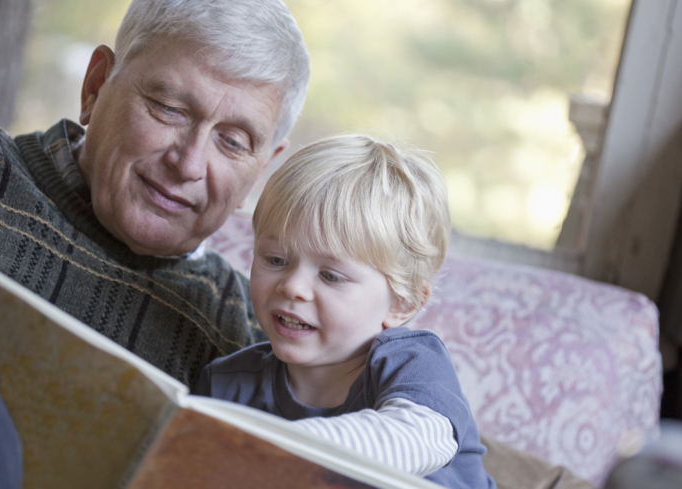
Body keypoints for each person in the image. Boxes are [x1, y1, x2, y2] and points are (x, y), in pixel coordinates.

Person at [0, 0, 308, 486]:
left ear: (265, 169)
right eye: (169, 109)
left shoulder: (254, 332)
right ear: (95, 86)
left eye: (233, 142)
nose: (189, 164)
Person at [194, 134, 496, 488]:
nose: (292, 287)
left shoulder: (410, 363)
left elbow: (415, 439)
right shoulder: (226, 384)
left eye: (331, 276)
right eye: (276, 259)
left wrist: (272, 447)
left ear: (403, 303)